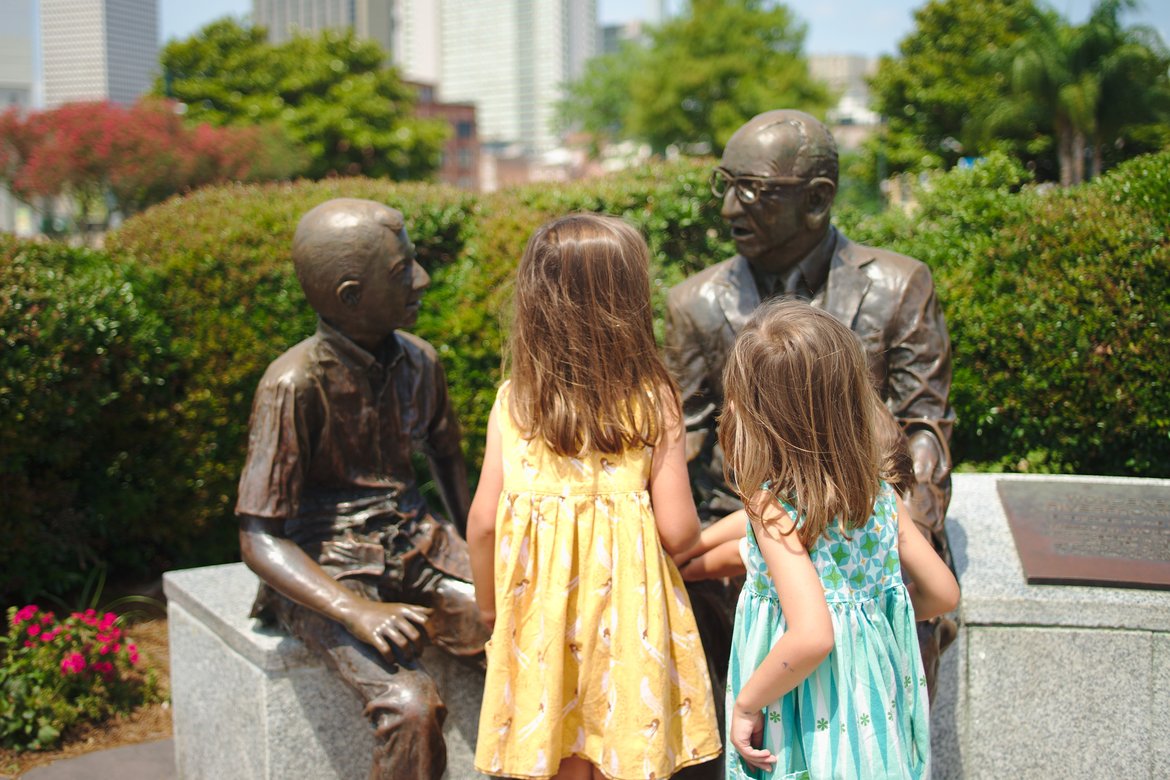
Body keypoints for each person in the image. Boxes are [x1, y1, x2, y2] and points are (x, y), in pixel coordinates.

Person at [666, 109, 957, 698]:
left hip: (861, 513)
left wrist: (898, 536)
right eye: (727, 185)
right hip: (749, 526)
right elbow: (683, 438)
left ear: (818, 199)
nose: (729, 209)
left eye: (755, 192)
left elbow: (924, 428)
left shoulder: (899, 286)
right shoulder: (694, 302)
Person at [235, 198, 487, 780]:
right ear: (350, 296)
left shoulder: (422, 363)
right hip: (330, 568)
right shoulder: (292, 384)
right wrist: (353, 611)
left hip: (418, 546)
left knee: (527, 636)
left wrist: (481, 551)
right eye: (402, 271)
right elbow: (259, 537)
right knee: (411, 706)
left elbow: (449, 460)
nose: (422, 280)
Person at [467, 214, 722, 780]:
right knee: (621, 753)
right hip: (629, 626)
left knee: (555, 758)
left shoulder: (515, 403)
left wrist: (490, 609)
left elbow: (483, 522)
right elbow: (679, 531)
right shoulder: (653, 400)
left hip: (539, 625)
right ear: (626, 302)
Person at [719, 299, 960, 779]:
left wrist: (748, 704)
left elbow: (811, 636)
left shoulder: (772, 508)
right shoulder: (879, 494)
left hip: (804, 715)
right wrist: (869, 618)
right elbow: (944, 592)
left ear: (756, 411)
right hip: (874, 709)